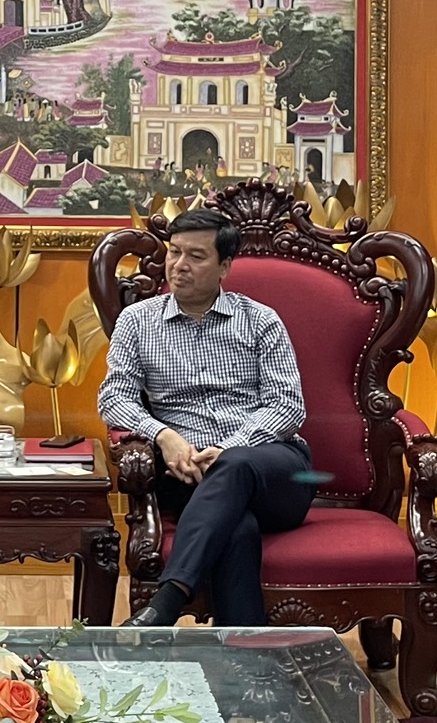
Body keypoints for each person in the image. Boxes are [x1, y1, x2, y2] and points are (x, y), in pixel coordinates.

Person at [100, 207, 314, 628]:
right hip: (186, 472)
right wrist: (164, 436)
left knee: (234, 465)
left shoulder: (260, 320)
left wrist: (229, 448)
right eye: (174, 252)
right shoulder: (137, 321)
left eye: (196, 256)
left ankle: (167, 602)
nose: (179, 265)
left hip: (272, 471)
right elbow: (114, 398)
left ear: (225, 267)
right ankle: (245, 657)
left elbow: (288, 404)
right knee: (236, 528)